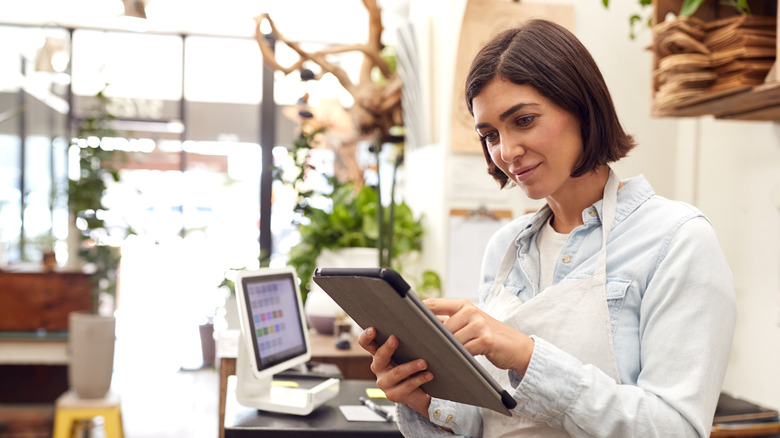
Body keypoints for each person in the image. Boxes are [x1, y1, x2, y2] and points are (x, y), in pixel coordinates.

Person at [358, 19, 736, 437]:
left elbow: (676, 429)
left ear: (582, 106)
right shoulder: (506, 248)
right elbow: (493, 421)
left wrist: (525, 355)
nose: (507, 151)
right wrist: (425, 400)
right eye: (490, 134)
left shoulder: (677, 240)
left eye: (523, 120)